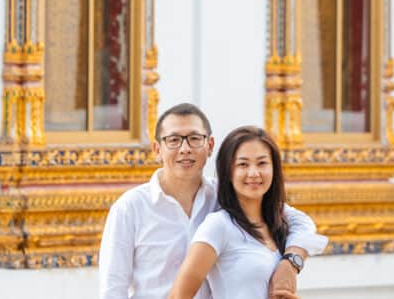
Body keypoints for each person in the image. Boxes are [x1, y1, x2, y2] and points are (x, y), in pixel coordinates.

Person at [99, 104, 323, 299]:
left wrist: (291, 263)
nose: (185, 149)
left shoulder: (226, 196)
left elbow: (300, 222)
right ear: (157, 149)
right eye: (174, 140)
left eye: (195, 139)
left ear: (210, 146)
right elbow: (113, 289)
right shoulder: (130, 208)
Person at [167, 126, 327, 299]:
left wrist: (289, 264)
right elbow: (178, 296)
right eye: (243, 164)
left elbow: (305, 224)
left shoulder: (278, 222)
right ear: (229, 172)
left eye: (262, 163)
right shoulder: (218, 225)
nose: (254, 173)